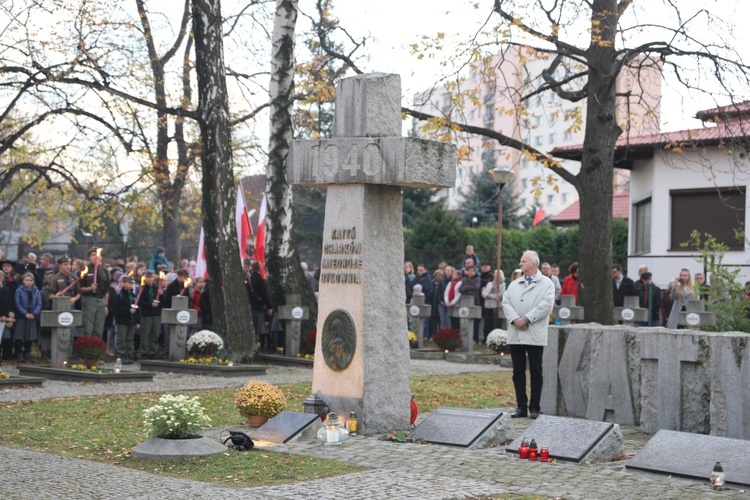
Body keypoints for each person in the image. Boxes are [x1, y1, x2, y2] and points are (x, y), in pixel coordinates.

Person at [502, 250, 555, 420]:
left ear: (533, 263)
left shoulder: (547, 284)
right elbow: (506, 302)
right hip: (516, 332)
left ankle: (534, 407)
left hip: (534, 333)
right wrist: (515, 319)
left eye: (523, 261)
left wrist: (527, 319)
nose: (520, 264)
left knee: (536, 371)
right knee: (518, 371)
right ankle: (521, 406)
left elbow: (546, 306)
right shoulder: (515, 284)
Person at [79, 247, 110, 338]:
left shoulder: (104, 271)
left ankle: (96, 350)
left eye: (97, 255)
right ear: (89, 257)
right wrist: (90, 288)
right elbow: (80, 288)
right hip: (89, 299)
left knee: (99, 330)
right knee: (88, 329)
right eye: (93, 255)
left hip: (101, 300)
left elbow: (107, 290)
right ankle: (87, 349)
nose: (96, 257)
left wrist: (106, 305)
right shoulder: (85, 270)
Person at [14, 272, 42, 363]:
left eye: (30, 280)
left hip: (32, 316)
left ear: (33, 281)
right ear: (23, 281)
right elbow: (17, 303)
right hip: (22, 316)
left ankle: (27, 352)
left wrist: (34, 313)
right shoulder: (19, 290)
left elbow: (39, 303)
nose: (28, 282)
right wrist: (25, 313)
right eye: (26, 280)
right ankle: (19, 353)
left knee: (29, 336)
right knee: (20, 335)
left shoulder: (36, 291)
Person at [247, 262, 273, 352]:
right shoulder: (260, 280)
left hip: (250, 305)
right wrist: (269, 307)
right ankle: (254, 347)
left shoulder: (249, 279)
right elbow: (264, 295)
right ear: (260, 268)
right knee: (256, 327)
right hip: (258, 306)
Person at [114, 275, 140, 364]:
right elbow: (117, 309)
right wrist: (128, 310)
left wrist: (137, 321)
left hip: (132, 321)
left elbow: (137, 309)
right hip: (123, 320)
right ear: (124, 283)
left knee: (130, 338)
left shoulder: (133, 295)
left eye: (132, 283)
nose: (131, 285)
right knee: (122, 338)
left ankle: (129, 353)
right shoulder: (120, 295)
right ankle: (121, 354)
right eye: (129, 283)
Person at [137, 269, 162, 359]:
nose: (150, 279)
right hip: (147, 314)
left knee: (155, 334)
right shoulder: (142, 288)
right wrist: (150, 304)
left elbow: (163, 301)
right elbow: (139, 302)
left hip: (156, 314)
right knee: (146, 334)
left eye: (151, 277)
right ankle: (144, 352)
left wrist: (162, 294)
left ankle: (153, 351)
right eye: (148, 277)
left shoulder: (157, 288)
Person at [458, 265, 482, 343]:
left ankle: (475, 338)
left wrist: (466, 288)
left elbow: (476, 287)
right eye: (469, 270)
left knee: (475, 322)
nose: (471, 272)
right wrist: (468, 289)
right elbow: (460, 289)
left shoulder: (477, 279)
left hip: (475, 301)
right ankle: (465, 338)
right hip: (465, 302)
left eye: (472, 270)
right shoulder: (464, 279)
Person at [0, 270, 15, 361]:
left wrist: (5, 316)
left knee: (3, 337)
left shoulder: (7, 290)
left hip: (4, 317)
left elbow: (9, 304)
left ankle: (3, 354)